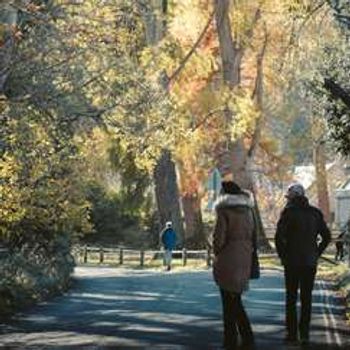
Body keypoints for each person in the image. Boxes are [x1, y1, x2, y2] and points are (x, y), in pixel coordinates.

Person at [275, 183, 331, 346]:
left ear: (293, 196)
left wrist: (283, 256)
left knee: (291, 298)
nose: (287, 200)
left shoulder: (288, 212)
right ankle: (304, 334)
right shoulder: (315, 213)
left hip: (291, 262)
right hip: (309, 262)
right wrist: (317, 252)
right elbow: (326, 237)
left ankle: (292, 334)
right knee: (306, 298)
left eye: (289, 196)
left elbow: (279, 237)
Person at [213, 180, 257, 350]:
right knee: (235, 299)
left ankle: (235, 339)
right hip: (244, 257)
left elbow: (219, 239)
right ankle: (243, 338)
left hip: (227, 258)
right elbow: (254, 234)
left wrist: (217, 251)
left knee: (229, 302)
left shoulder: (224, 211)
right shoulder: (248, 211)